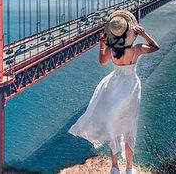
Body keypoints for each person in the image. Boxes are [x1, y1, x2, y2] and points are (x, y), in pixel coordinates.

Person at [68, 9, 160, 174]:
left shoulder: (111, 50)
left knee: (114, 127)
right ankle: (130, 168)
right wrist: (144, 34)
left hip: (113, 86)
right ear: (130, 32)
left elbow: (102, 62)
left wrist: (102, 44)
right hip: (131, 87)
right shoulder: (137, 49)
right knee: (129, 127)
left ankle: (115, 167)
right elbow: (155, 47)